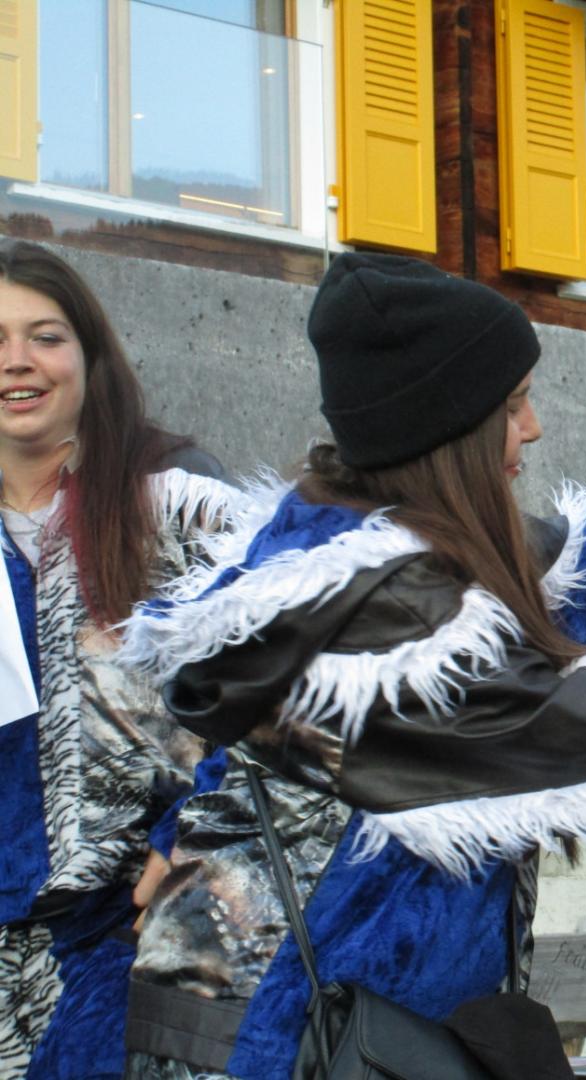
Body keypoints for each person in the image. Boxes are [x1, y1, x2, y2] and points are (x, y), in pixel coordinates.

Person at [117, 252, 586, 1080]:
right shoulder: (361, 621)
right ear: (443, 432)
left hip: (373, 1031)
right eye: (511, 408)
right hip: (270, 1042)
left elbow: (585, 556)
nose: (534, 428)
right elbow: (573, 738)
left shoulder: (400, 544)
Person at [0, 240, 241, 1079]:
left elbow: (280, 692)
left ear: (90, 356)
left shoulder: (175, 505)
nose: (16, 362)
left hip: (133, 933)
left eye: (45, 337)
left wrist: (192, 836)